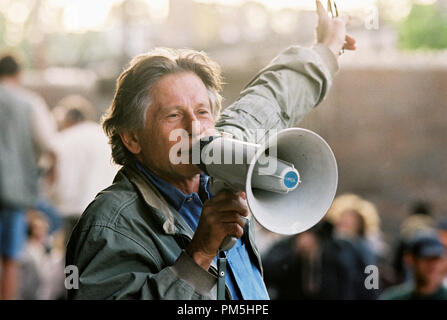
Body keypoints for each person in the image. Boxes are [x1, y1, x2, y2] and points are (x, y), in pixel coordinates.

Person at [66, 0, 357, 300]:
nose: (195, 128)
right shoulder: (111, 225)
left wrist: (326, 47)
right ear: (132, 138)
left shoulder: (229, 154)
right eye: (174, 116)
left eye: (202, 112)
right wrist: (199, 255)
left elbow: (274, 98)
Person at [47, 95, 119, 244]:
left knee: (72, 259)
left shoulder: (63, 139)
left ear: (68, 119)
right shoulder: (106, 138)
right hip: (106, 210)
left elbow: (55, 177)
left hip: (74, 211)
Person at [0, 55, 39, 299]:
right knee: (11, 257)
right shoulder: (27, 103)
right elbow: (45, 143)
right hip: (15, 191)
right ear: (18, 74)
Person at [380, 232, 447, 300]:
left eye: (436, 259)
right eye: (427, 259)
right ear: (410, 260)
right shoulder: (394, 297)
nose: (433, 265)